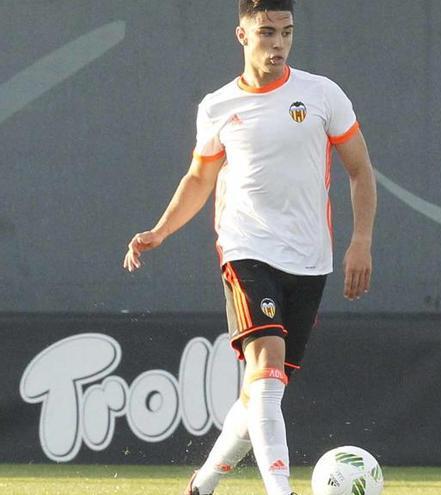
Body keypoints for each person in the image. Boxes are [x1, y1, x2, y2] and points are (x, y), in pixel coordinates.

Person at [122, 1, 377, 494]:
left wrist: (360, 241)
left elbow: (360, 170)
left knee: (265, 388)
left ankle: (204, 484)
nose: (278, 43)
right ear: (242, 35)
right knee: (265, 370)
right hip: (246, 249)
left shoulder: (322, 95)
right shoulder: (219, 106)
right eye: (266, 32)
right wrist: (160, 230)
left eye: (286, 32)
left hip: (309, 259)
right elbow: (200, 176)